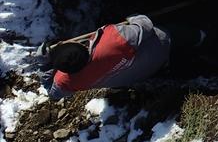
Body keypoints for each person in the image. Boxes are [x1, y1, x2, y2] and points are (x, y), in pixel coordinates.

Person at [42, 14, 178, 99]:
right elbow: (146, 26)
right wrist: (133, 17)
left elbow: (52, 92)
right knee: (169, 31)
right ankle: (198, 37)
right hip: (160, 50)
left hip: (138, 76)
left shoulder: (67, 81)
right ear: (82, 46)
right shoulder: (112, 39)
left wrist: (45, 64)